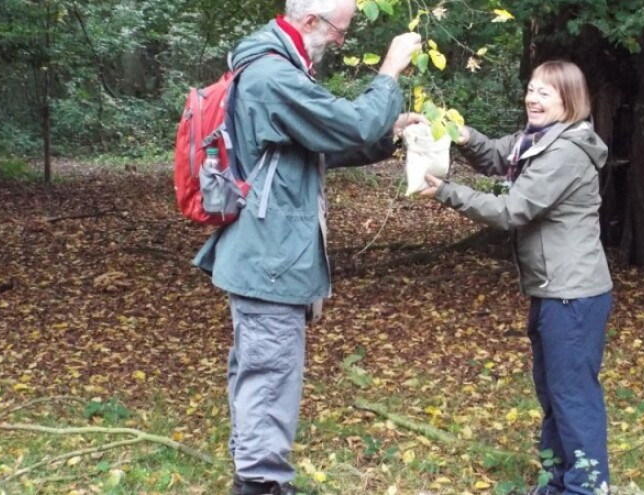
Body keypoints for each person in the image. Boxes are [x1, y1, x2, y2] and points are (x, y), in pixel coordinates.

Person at [192, 1, 423, 494]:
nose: (341, 40)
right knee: (270, 373)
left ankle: (255, 472)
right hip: (268, 256)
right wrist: (389, 72)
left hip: (265, 252)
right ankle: (260, 483)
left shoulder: (277, 67)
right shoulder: (272, 75)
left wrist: (389, 134)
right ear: (311, 21)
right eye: (340, 30)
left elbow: (319, 144)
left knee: (261, 370)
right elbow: (350, 124)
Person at [420, 60, 613, 495]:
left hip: (572, 295)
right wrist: (460, 134)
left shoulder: (565, 152)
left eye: (545, 92)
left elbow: (512, 210)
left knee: (572, 396)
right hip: (552, 290)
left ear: (569, 100)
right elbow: (496, 155)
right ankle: (557, 481)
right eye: (531, 89)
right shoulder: (537, 140)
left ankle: (587, 487)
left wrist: (447, 192)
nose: (532, 98)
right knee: (554, 394)